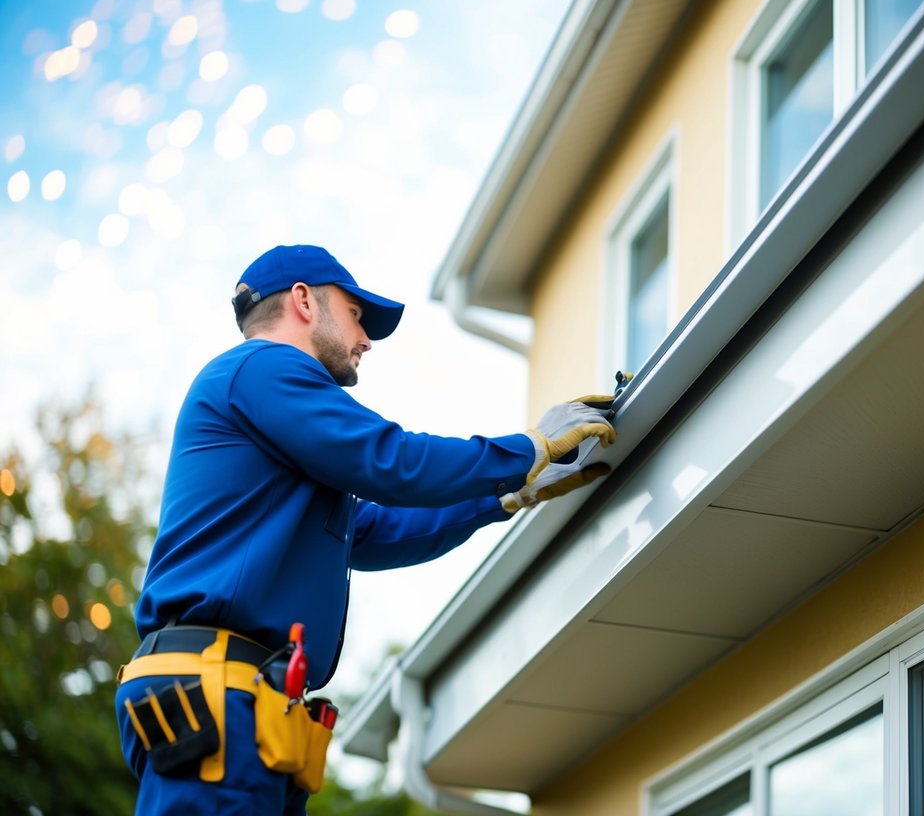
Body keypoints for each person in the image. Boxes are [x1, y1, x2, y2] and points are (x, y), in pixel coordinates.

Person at [113, 244, 616, 814]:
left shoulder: (275, 424)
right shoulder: (264, 367)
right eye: (356, 314)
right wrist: (527, 448)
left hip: (235, 695)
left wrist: (507, 492)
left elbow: (375, 530)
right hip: (218, 693)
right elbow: (388, 459)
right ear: (303, 300)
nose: (366, 339)